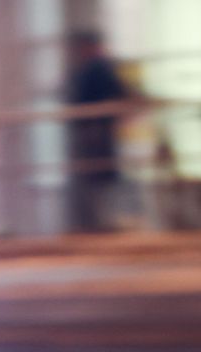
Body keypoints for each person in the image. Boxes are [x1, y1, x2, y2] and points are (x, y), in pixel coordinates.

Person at [65, 29, 130, 233]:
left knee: (100, 174)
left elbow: (119, 92)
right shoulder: (88, 69)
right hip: (94, 131)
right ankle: (101, 222)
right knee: (97, 174)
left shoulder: (96, 68)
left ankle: (104, 222)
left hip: (97, 131)